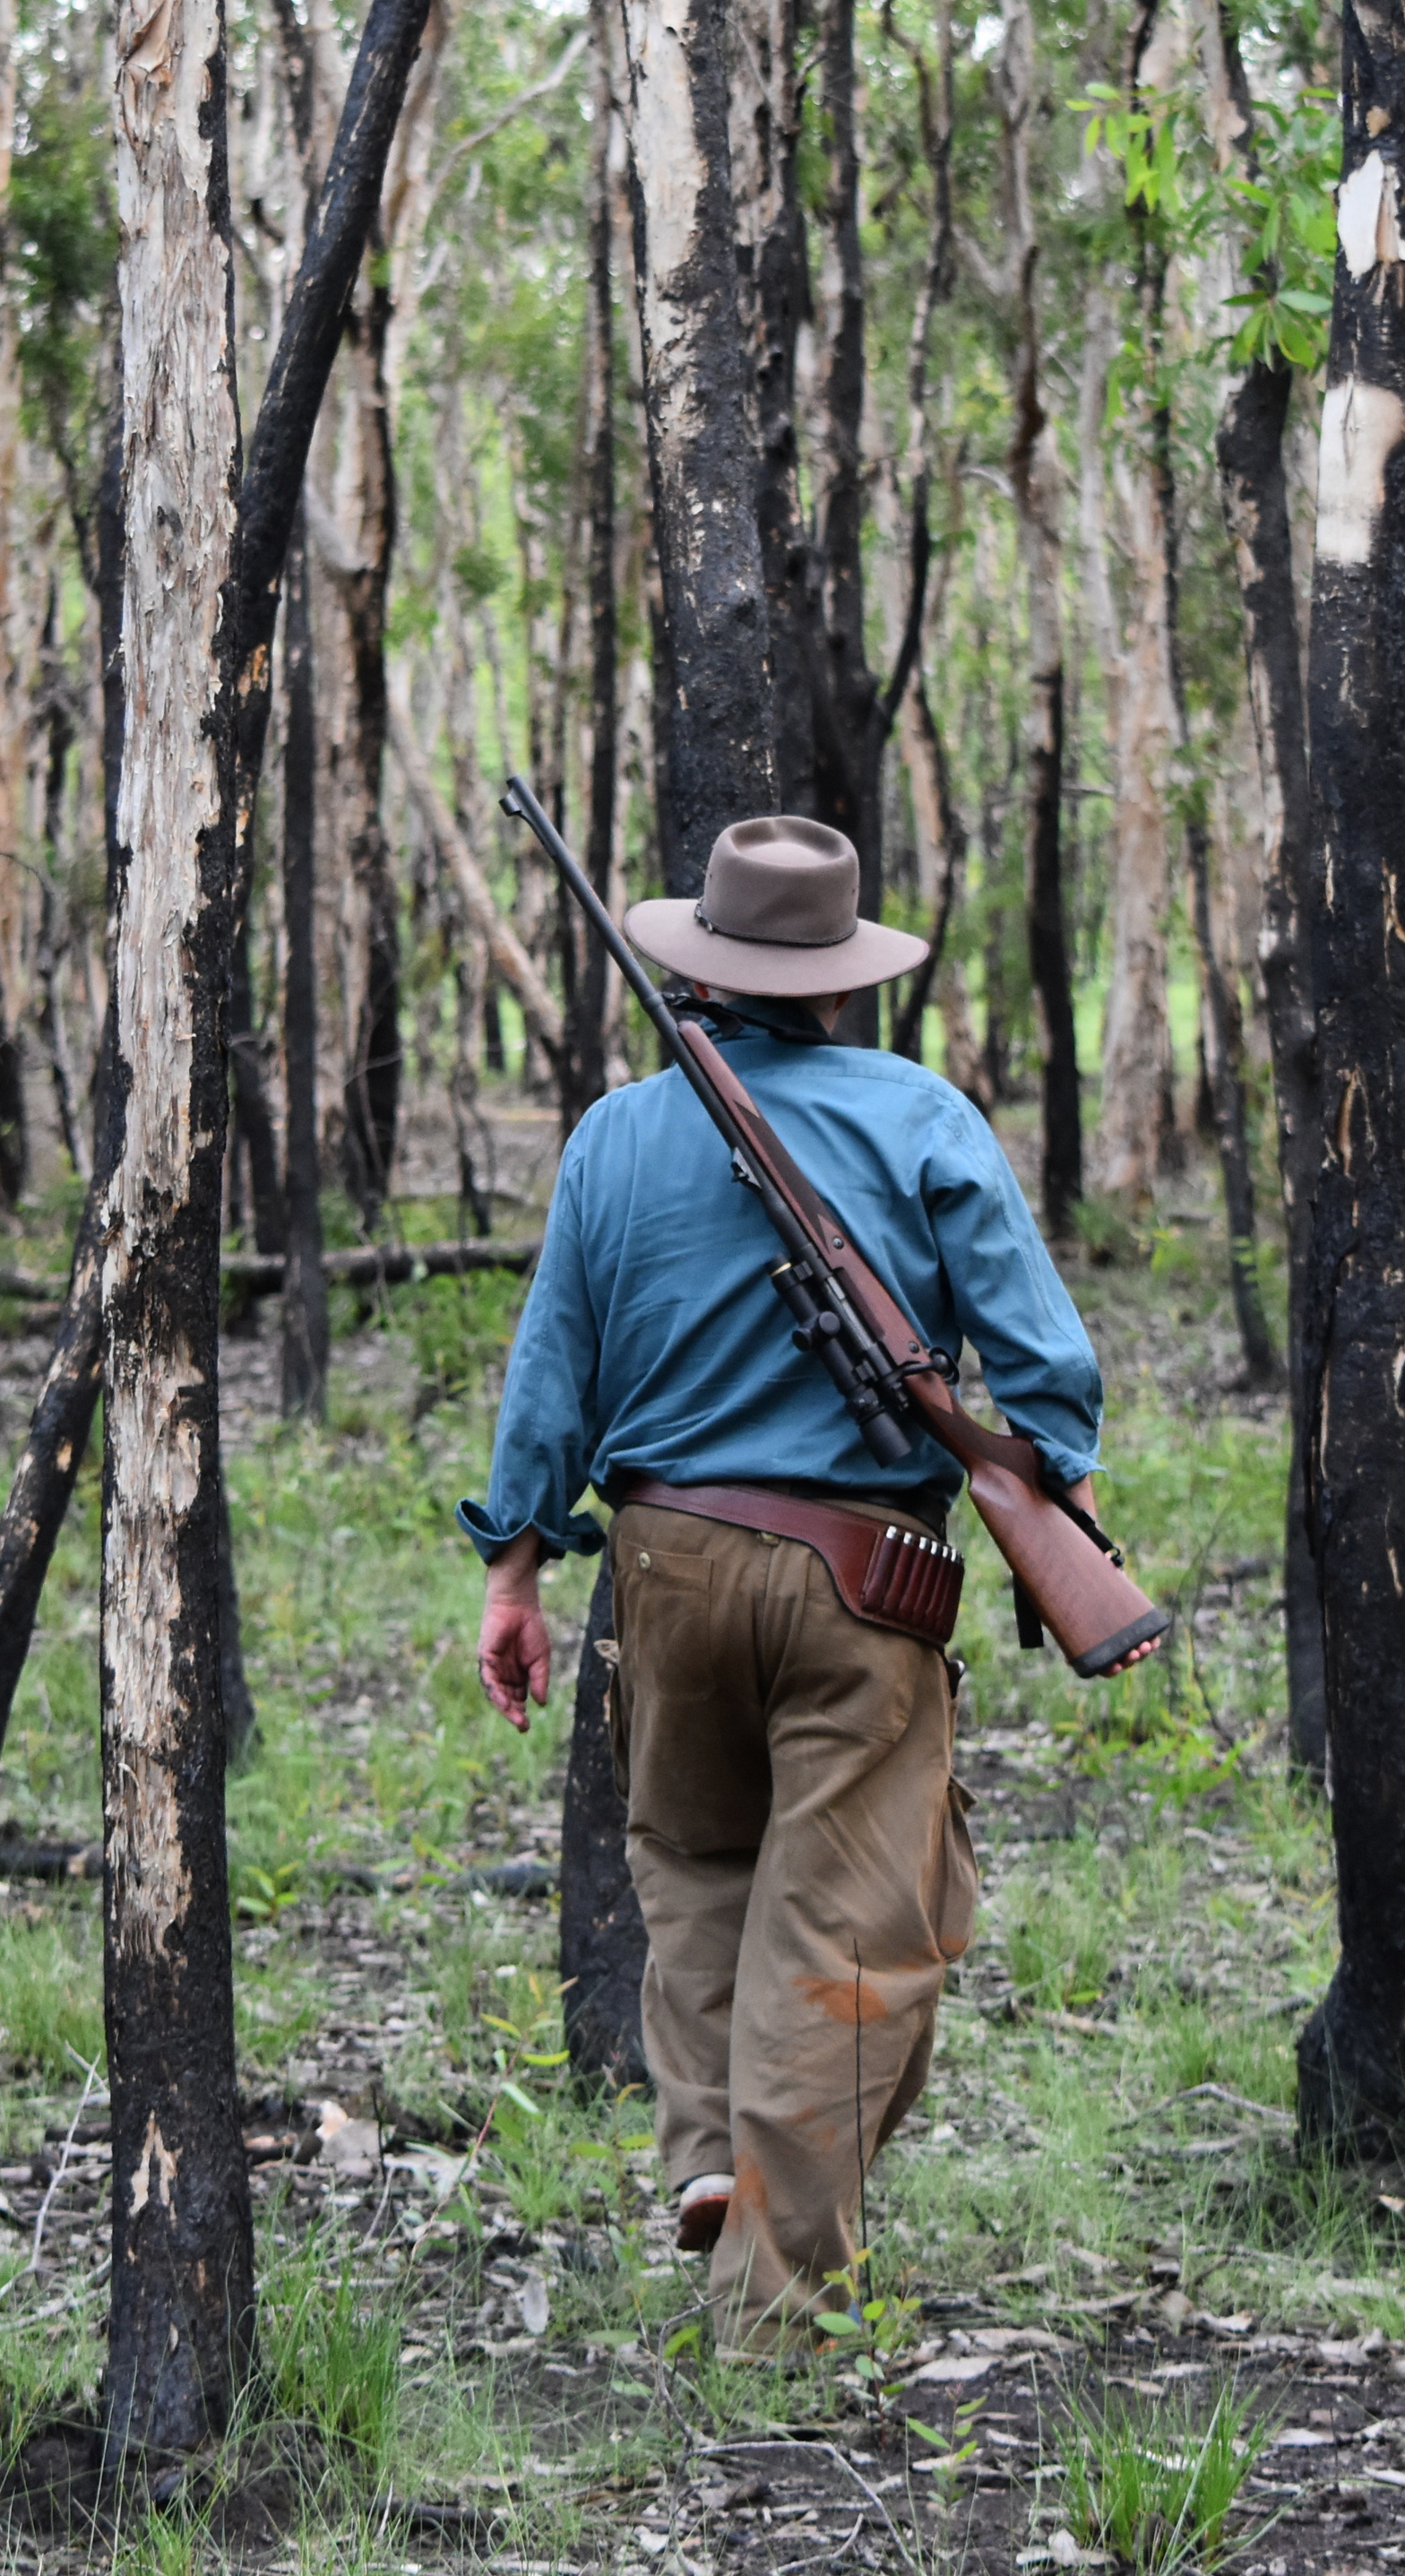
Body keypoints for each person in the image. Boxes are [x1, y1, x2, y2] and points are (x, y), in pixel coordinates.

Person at [462, 812, 1109, 2338]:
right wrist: (1050, 1479)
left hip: (663, 1569)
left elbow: (550, 1372)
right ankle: (777, 2312)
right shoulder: (925, 1118)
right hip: (863, 1579)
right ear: (839, 978)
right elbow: (1045, 1371)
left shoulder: (617, 1133)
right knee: (850, 1935)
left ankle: (709, 2154)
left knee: (694, 1876)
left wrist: (513, 1570)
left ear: (708, 960)